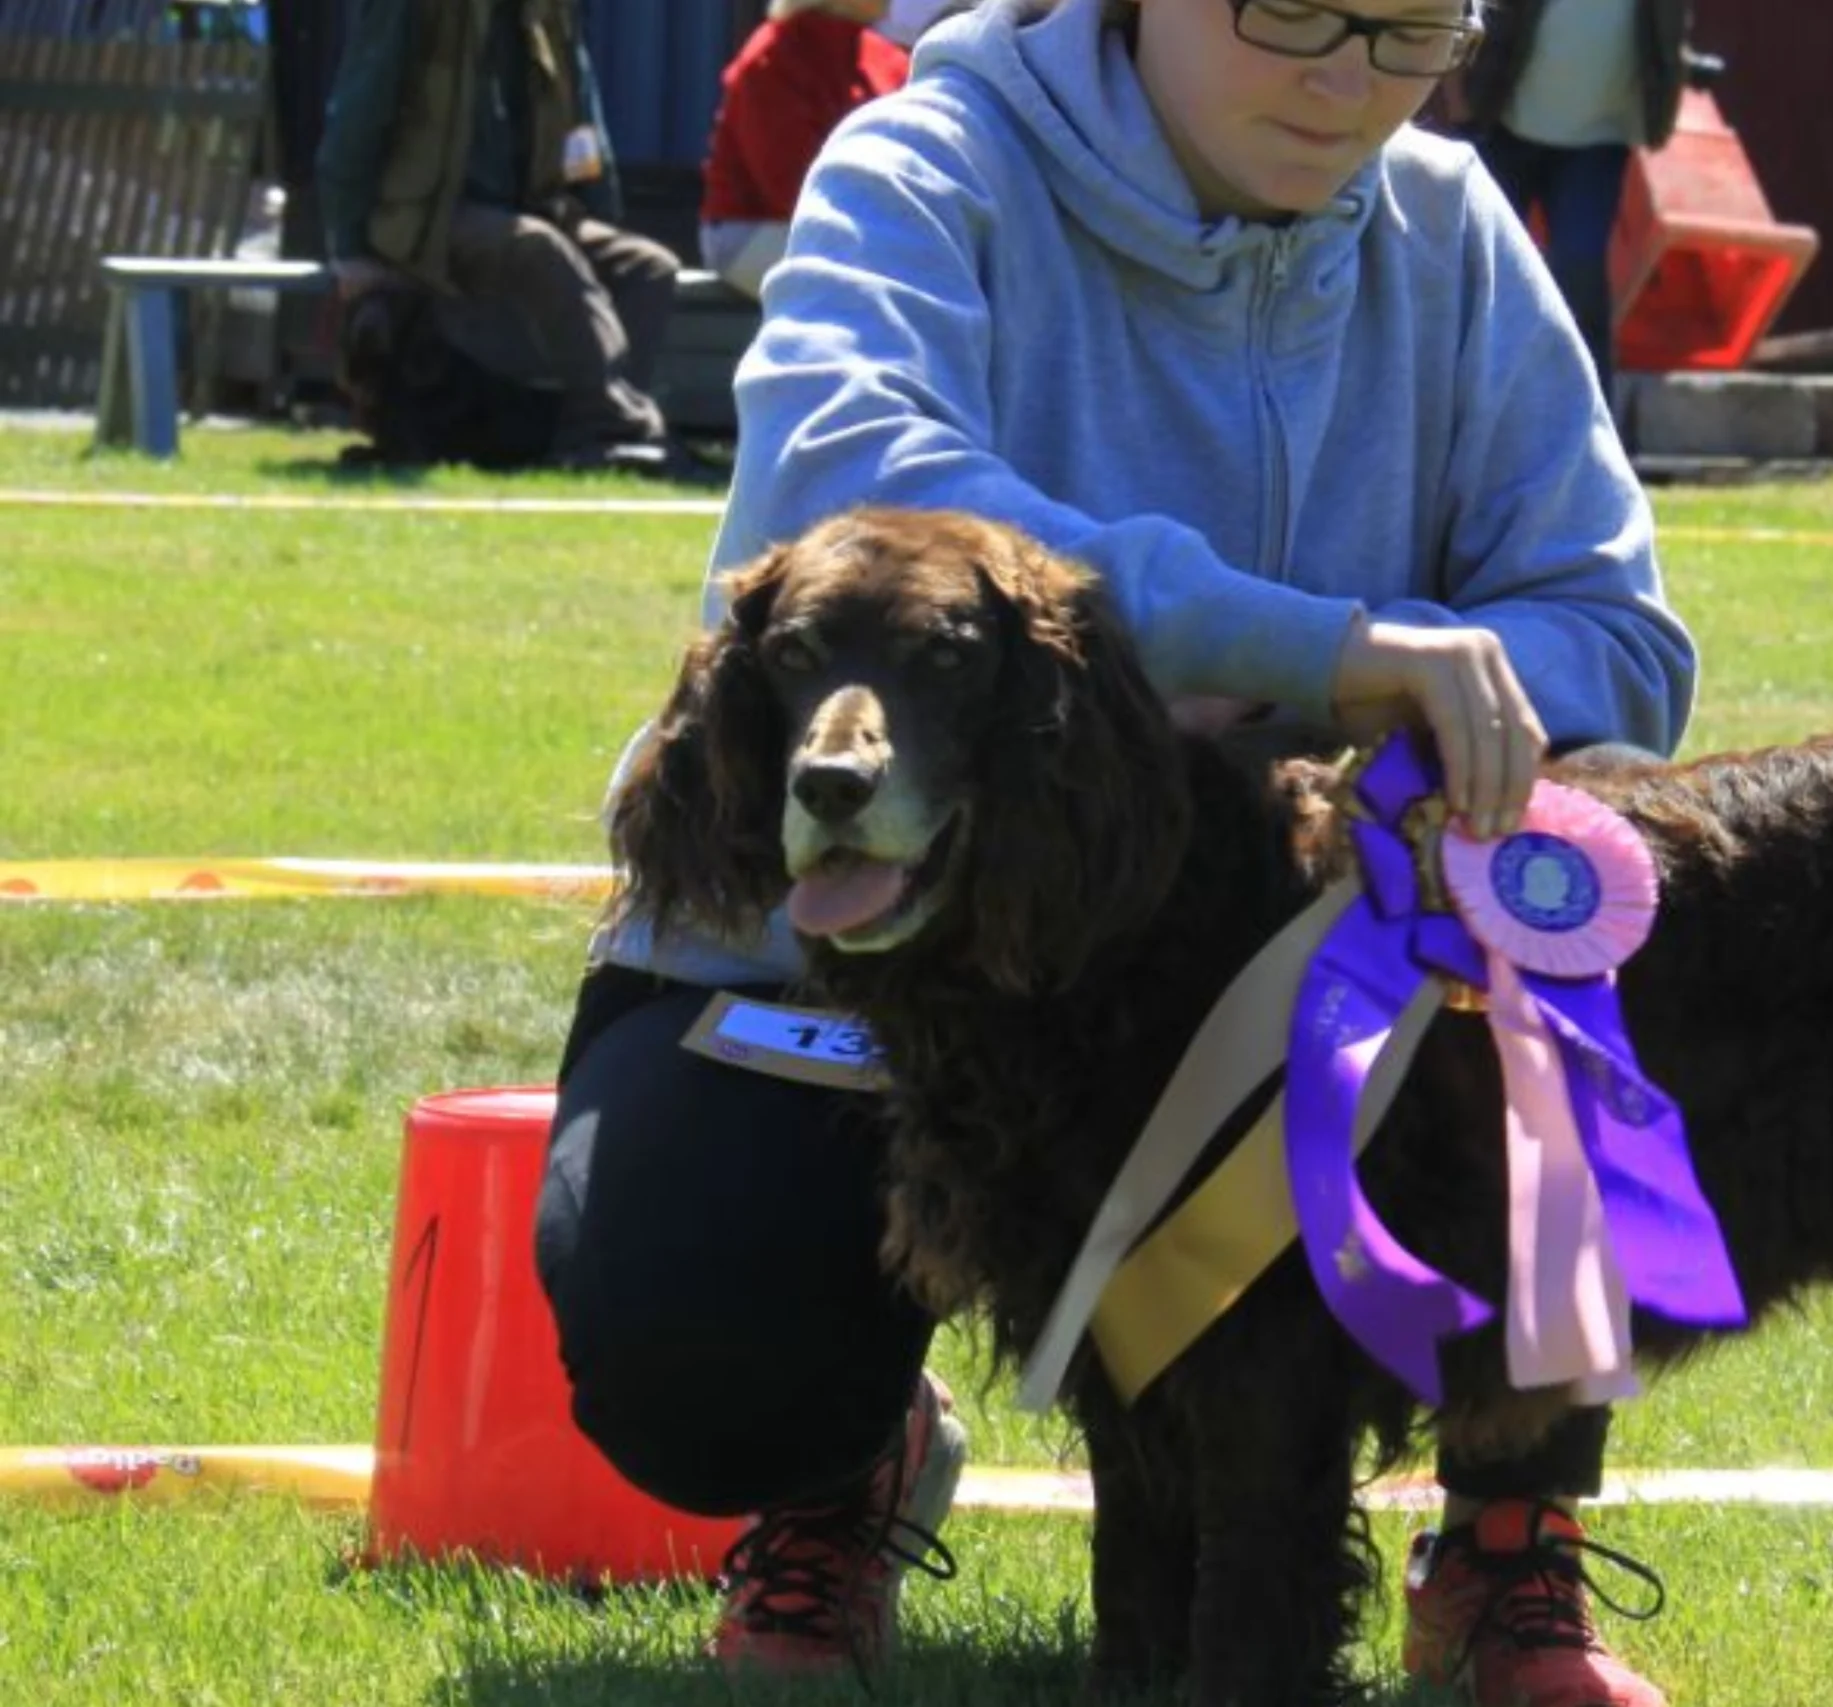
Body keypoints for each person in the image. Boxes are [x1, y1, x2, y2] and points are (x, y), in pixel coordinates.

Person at [533, 4, 1696, 1707]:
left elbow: (1620, 640)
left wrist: (1428, 715)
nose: (1345, 75)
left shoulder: (1458, 233)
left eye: (1411, 29)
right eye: (1292, 9)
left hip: (1289, 1001)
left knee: (1583, 898)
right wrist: (1326, 646)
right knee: (694, 1324)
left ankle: (1509, 1532)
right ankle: (840, 1457)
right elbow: (852, 474)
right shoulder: (923, 167)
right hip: (868, 962)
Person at [315, 0, 690, 477]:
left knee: (649, 266)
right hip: (428, 214)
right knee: (540, 250)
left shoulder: (547, 9)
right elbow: (357, 112)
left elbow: (581, 112)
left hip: (533, 202)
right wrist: (348, 247)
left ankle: (589, 432)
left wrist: (599, 211)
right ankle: (619, 427)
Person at [1434, 0, 1692, 423]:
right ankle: (1453, 427)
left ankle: (1595, 440)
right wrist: (1457, 91)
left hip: (1600, 139)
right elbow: (1458, 10)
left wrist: (1664, 102)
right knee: (1479, 276)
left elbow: (1671, 28)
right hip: (1505, 124)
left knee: (1580, 275)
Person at [699, 2, 919, 300]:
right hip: (754, 229)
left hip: (862, 225)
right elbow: (789, 186)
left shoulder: (886, 57)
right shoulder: (775, 54)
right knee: (875, 278)